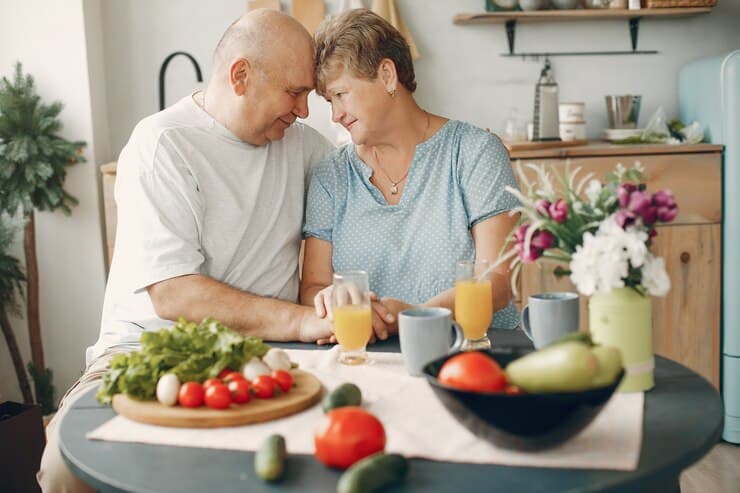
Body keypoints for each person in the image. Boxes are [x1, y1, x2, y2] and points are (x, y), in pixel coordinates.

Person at [38, 10, 334, 492]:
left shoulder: (305, 148)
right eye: (294, 92)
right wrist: (301, 319)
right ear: (241, 76)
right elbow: (175, 295)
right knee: (64, 472)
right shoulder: (162, 144)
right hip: (142, 349)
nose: (303, 110)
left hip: (267, 354)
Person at [299, 9, 520, 342]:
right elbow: (314, 287)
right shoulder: (332, 175)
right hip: (370, 357)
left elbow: (497, 282)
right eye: (329, 100)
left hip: (472, 354)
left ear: (387, 75)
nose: (335, 115)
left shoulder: (474, 153)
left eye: (341, 95)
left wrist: (414, 318)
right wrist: (331, 302)